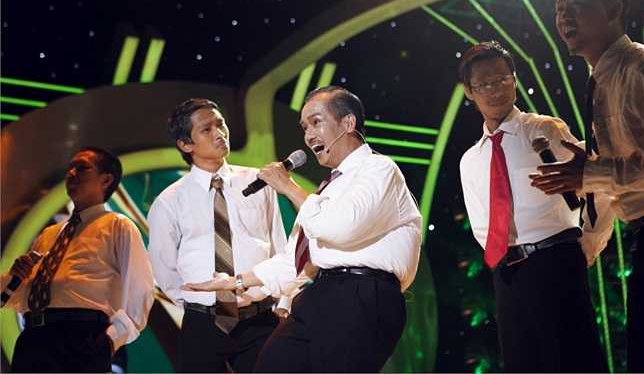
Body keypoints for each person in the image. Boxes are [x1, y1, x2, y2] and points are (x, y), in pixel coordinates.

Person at [531, 0, 644, 372]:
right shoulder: (602, 80)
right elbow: (620, 170)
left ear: (614, 9)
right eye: (559, 9)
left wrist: (592, 173)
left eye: (577, 5)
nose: (564, 17)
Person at [183, 86, 422, 372]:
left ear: (348, 123)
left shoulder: (379, 169)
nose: (308, 136)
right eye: (304, 127)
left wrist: (288, 187)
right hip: (322, 292)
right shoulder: (327, 188)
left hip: (364, 293)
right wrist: (235, 282)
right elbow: (295, 258)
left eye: (316, 122)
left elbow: (340, 228)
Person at [458, 41, 607, 372]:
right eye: (485, 84)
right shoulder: (471, 159)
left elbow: (597, 184)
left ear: (514, 79)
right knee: (523, 362)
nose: (496, 90)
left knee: (573, 360)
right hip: (508, 274)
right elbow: (482, 224)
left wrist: (589, 241)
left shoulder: (544, 129)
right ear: (469, 91)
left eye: (502, 79)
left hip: (556, 260)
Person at [147, 98, 289, 373]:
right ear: (185, 144)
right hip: (203, 324)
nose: (219, 133)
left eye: (220, 124)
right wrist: (200, 304)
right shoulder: (170, 201)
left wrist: (282, 302)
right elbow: (164, 269)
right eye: (206, 129)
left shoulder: (260, 183)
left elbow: (279, 247)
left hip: (260, 317)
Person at [1, 147, 154, 372]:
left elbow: (140, 291)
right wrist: (16, 277)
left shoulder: (117, 225)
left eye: (82, 168)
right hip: (34, 340)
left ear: (106, 180)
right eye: (70, 168)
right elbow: (28, 295)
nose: (71, 173)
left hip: (82, 338)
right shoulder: (49, 234)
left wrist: (110, 341)